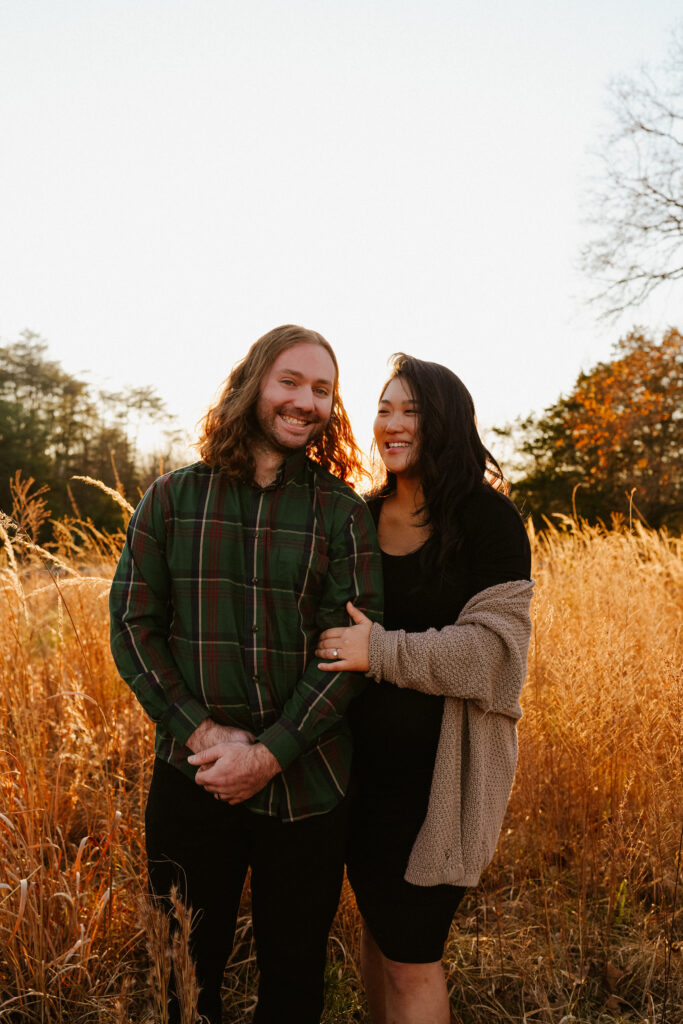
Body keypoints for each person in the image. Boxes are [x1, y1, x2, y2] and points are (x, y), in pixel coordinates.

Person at [109, 325, 383, 1024]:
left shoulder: (341, 513)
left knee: (293, 983)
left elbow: (349, 654)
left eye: (322, 390)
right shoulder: (172, 500)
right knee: (183, 980)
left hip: (309, 787)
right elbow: (133, 629)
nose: (306, 401)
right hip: (192, 778)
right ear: (253, 385)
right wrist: (203, 733)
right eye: (290, 382)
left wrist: (268, 754)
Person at [316, 354, 533, 1024]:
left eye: (410, 409)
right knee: (379, 943)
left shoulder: (486, 521)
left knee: (412, 955)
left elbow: (494, 657)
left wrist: (378, 651)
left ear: (445, 422)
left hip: (438, 785)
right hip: (354, 775)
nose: (392, 423)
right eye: (384, 408)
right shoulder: (359, 515)